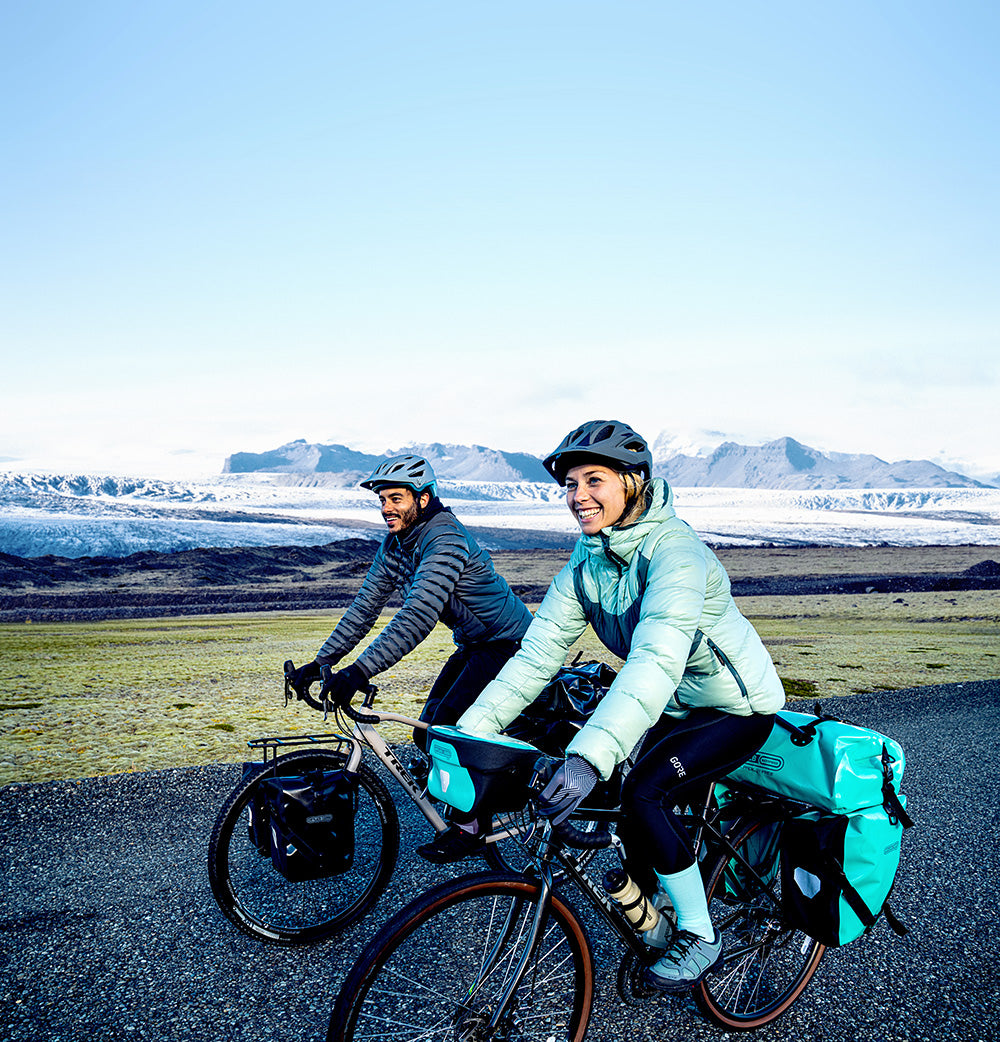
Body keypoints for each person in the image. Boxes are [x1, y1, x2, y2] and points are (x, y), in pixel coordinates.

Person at [457, 420, 785, 992]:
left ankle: (700, 935)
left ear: (633, 482)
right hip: (672, 704)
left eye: (594, 480)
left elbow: (655, 660)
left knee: (643, 792)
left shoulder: (676, 554)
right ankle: (654, 912)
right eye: (570, 484)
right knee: (627, 800)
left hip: (735, 707)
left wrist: (588, 757)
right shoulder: (587, 563)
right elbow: (536, 657)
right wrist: (469, 735)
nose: (577, 496)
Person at [287, 453, 533, 863]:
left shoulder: (445, 539)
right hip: (475, 644)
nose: (386, 508)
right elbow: (365, 607)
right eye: (382, 499)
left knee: (452, 732)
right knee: (426, 731)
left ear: (423, 498)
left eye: (396, 498)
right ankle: (473, 796)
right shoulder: (396, 544)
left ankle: (472, 828)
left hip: (511, 643)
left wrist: (359, 671)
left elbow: (418, 614)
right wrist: (322, 661)